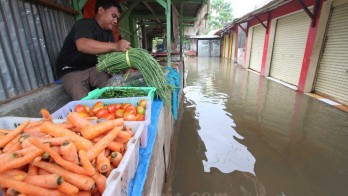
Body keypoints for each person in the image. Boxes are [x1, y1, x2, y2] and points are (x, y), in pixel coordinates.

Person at [56, 0, 130, 100]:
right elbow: (82, 45)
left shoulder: (109, 33)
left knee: (112, 89)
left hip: (94, 68)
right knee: (83, 101)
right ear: (101, 10)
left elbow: (111, 56)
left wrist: (127, 66)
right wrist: (116, 46)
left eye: (117, 18)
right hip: (71, 69)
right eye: (113, 16)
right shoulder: (84, 24)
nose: (116, 21)